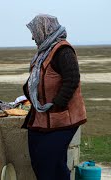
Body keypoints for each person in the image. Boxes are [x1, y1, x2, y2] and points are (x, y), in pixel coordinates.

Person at [22, 14, 87, 179]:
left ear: (44, 30)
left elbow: (72, 79)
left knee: (46, 162)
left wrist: (57, 104)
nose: (32, 37)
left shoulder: (63, 51)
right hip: (43, 117)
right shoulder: (45, 52)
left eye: (35, 32)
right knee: (48, 163)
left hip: (63, 118)